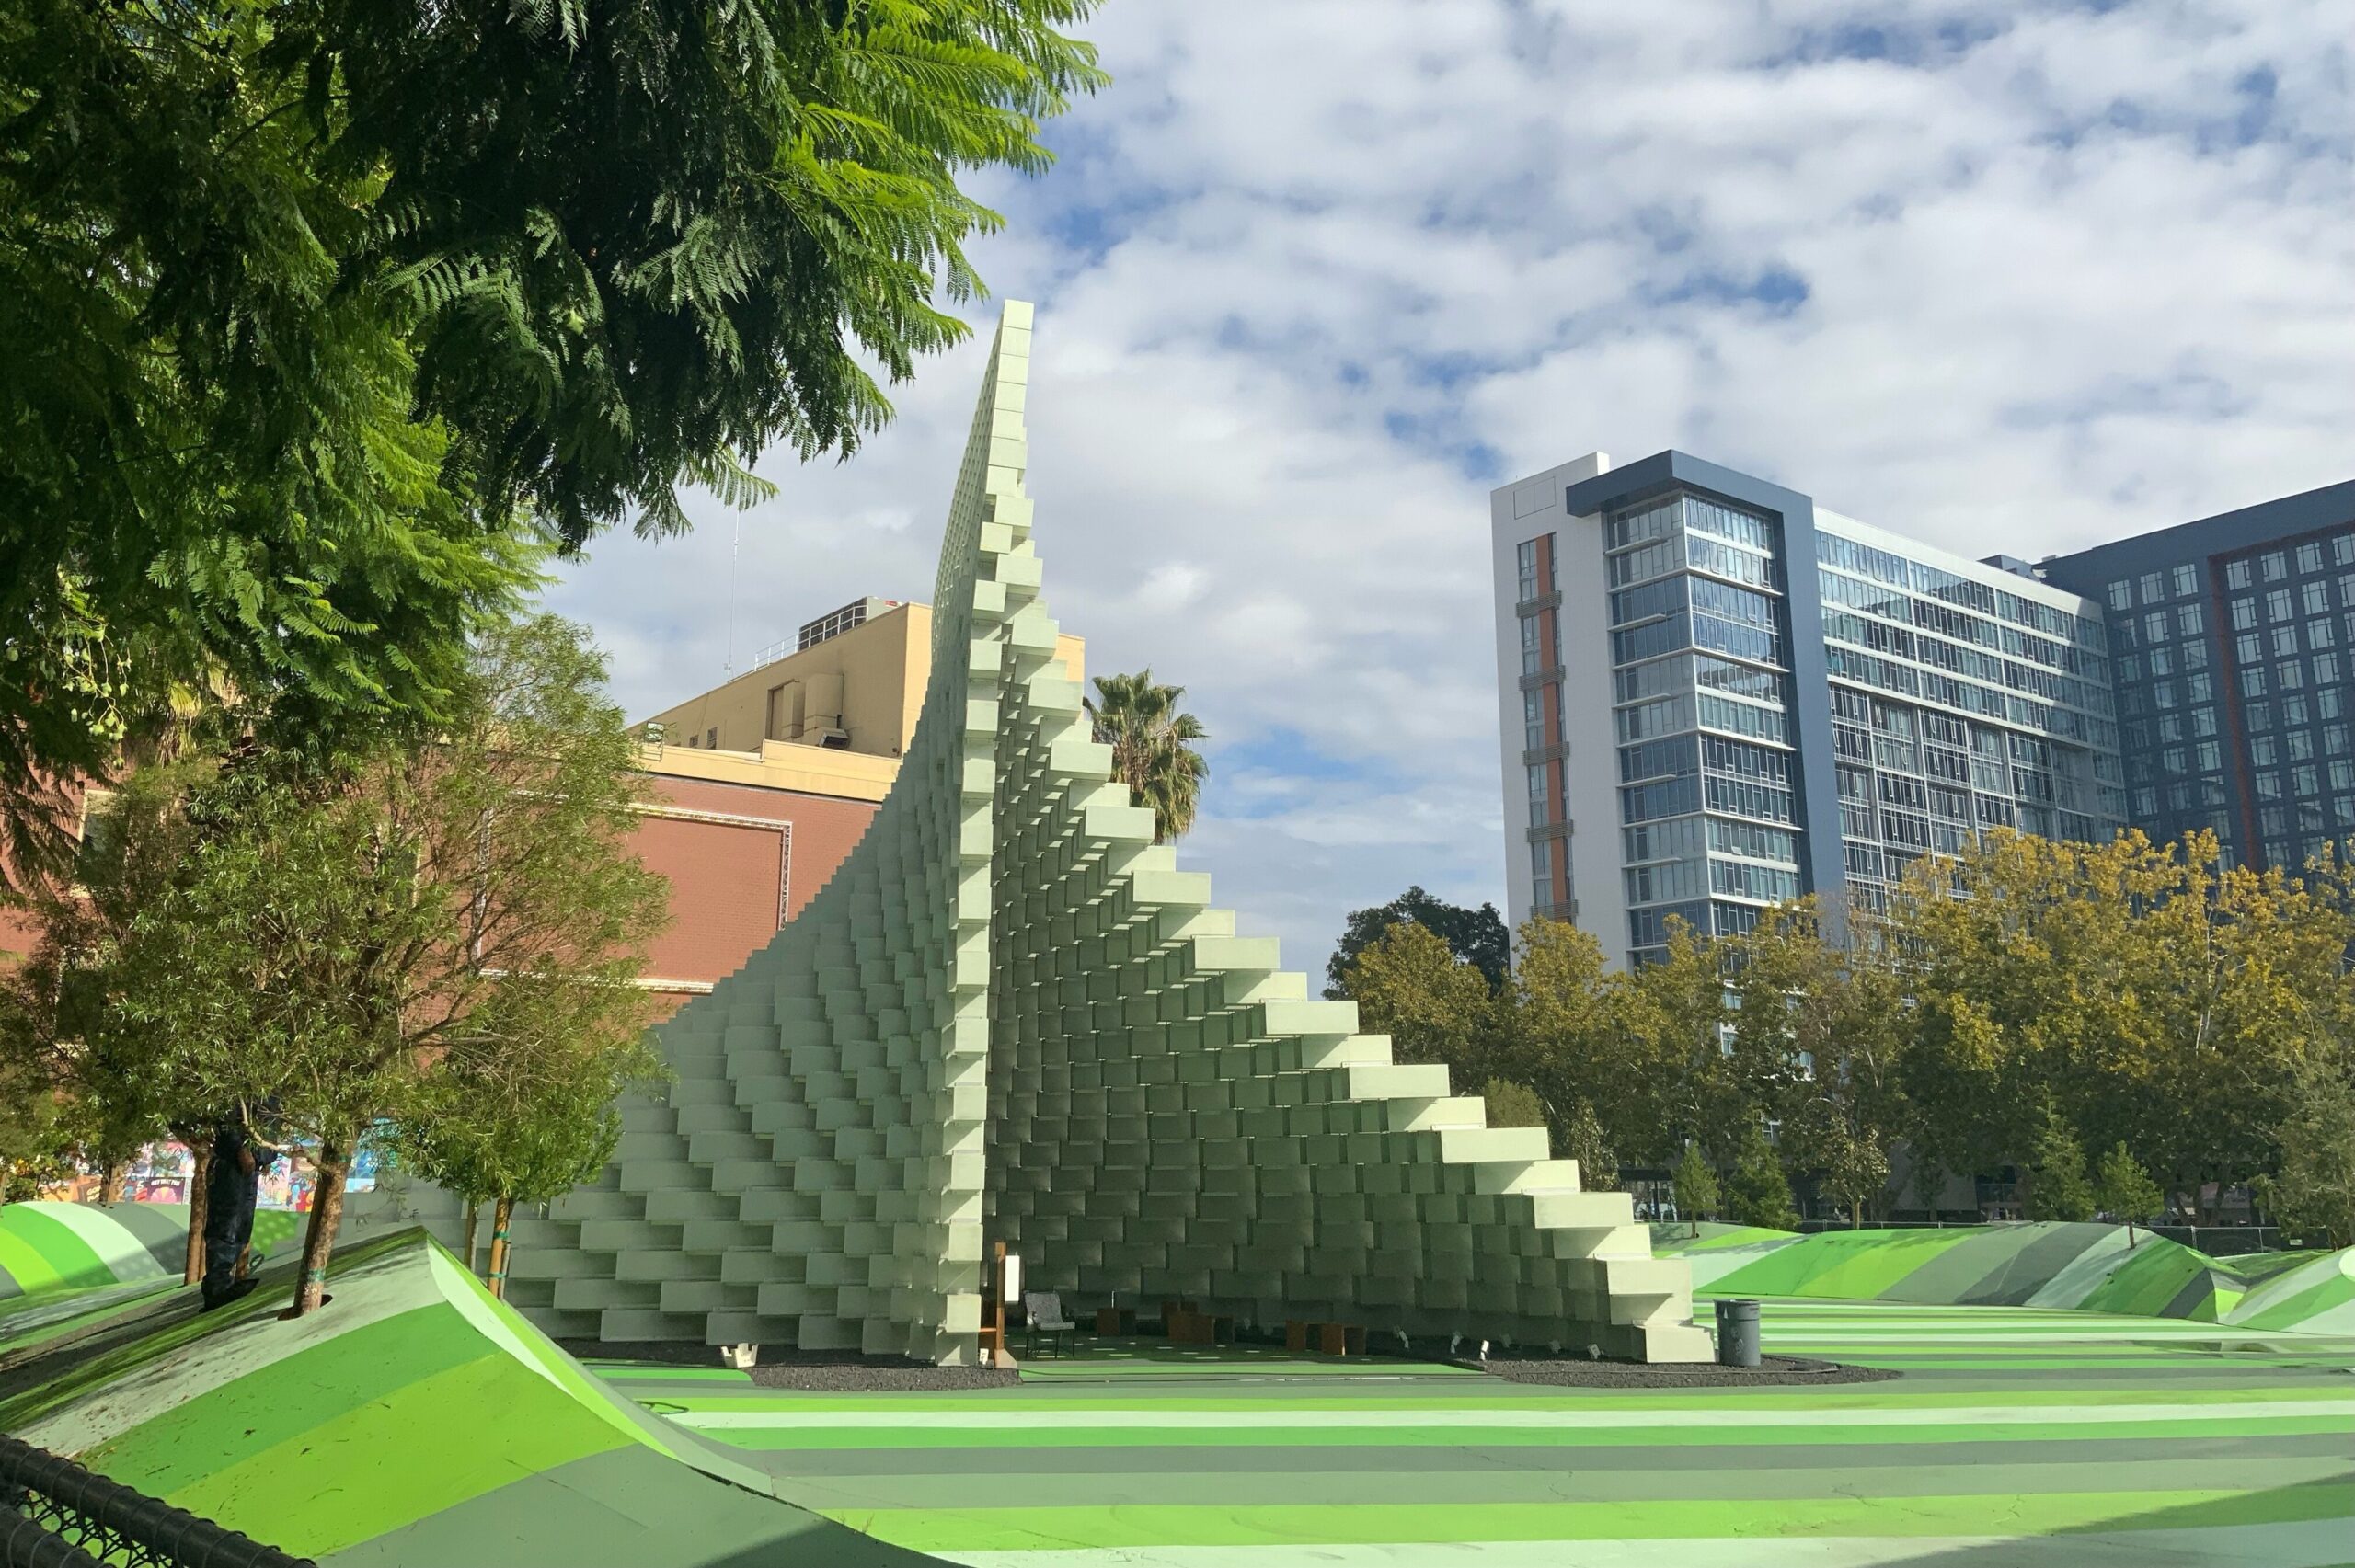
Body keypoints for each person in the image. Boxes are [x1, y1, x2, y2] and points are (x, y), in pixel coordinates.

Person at [200, 1116, 276, 1310]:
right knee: (227, 1225)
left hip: (249, 1165)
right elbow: (227, 1115)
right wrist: (239, 1147)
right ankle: (217, 1286)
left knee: (241, 1227)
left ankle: (224, 1282)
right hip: (232, 1163)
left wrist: (265, 1155)